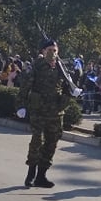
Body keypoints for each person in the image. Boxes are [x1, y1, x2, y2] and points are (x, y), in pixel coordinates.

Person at [16, 38, 80, 188]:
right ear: (43, 51)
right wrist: (20, 105)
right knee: (37, 141)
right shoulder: (36, 66)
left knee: (52, 143)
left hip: (56, 111)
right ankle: (31, 174)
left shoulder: (61, 67)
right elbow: (25, 87)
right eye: (49, 50)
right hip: (39, 110)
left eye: (55, 50)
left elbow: (67, 85)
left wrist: (73, 90)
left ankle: (41, 175)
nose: (52, 52)